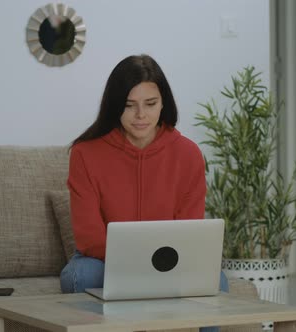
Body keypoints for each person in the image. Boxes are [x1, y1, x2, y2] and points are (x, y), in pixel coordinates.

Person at [60, 54, 227, 332]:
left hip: (168, 262)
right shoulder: (85, 154)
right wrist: (133, 263)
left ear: (164, 104)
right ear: (115, 106)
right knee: (81, 274)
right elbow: (89, 236)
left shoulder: (188, 154)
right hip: (105, 261)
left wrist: (156, 265)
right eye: (129, 106)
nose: (141, 116)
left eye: (150, 104)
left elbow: (188, 230)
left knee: (216, 281)